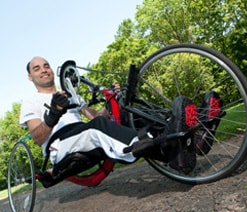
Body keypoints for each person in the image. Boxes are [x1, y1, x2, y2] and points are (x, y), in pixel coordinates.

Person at [19, 57, 173, 188]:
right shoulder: (30, 103)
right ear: (30, 77)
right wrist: (53, 114)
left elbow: (96, 117)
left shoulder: (71, 95)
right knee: (96, 128)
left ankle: (174, 130)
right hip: (59, 145)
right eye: (37, 68)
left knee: (129, 115)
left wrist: (110, 102)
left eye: (46, 66)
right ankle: (153, 147)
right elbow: (38, 138)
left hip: (83, 133)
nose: (44, 70)